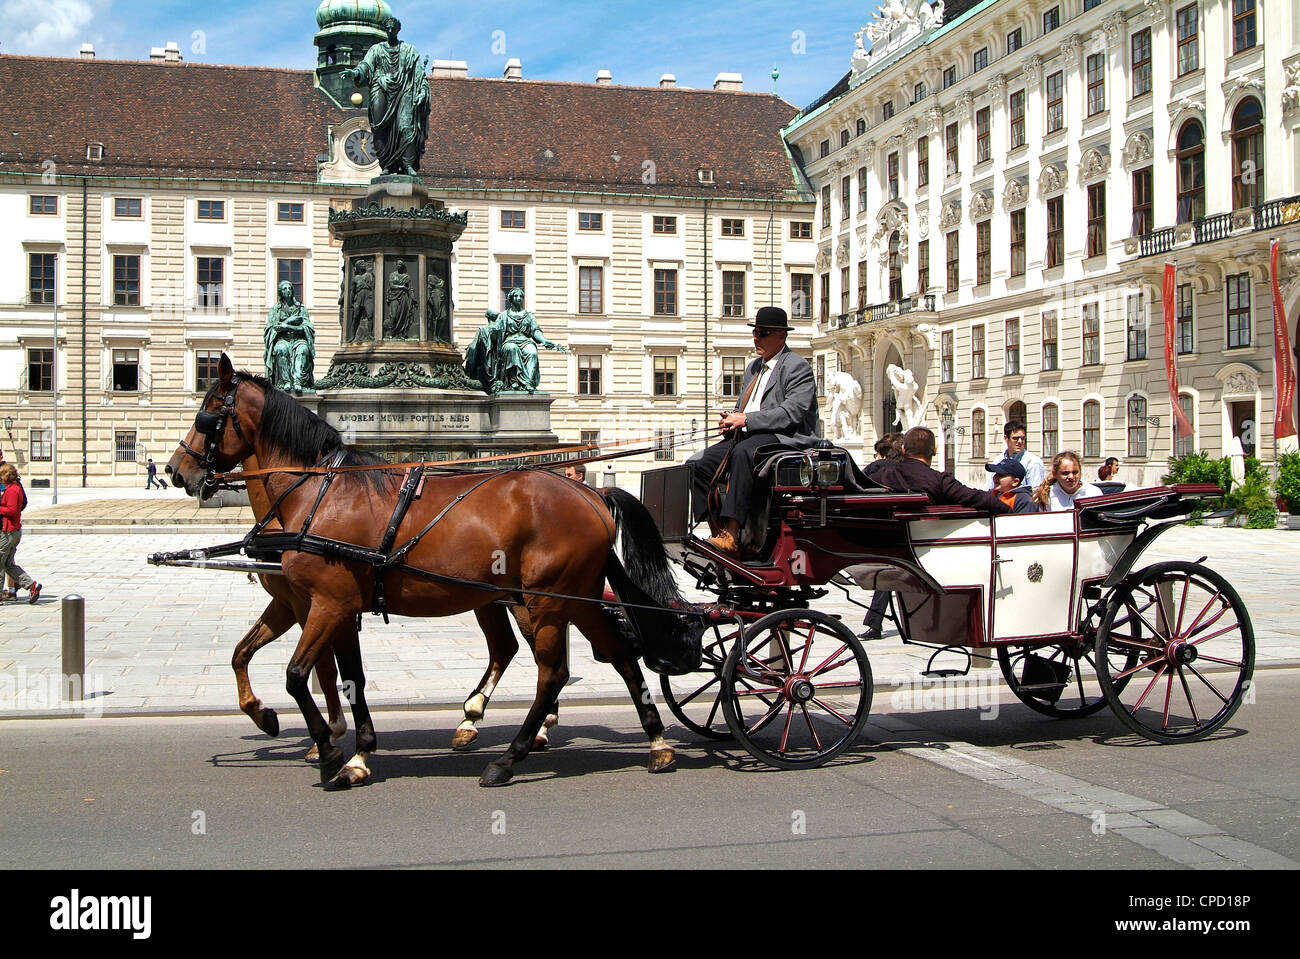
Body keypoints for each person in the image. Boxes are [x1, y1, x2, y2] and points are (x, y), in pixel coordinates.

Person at [687, 306, 821, 555]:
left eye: (763, 332)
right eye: (755, 332)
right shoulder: (753, 367)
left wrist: (745, 419)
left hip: (785, 437)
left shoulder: (796, 366)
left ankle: (733, 531)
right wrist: (732, 419)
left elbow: (792, 412)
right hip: (750, 434)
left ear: (781, 335)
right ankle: (717, 531)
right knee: (696, 464)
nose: (756, 338)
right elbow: (744, 406)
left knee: (743, 454)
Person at [342, 16, 430, 176]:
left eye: (393, 28)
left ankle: (408, 164)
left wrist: (423, 91)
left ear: (398, 30)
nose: (390, 31)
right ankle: (387, 165)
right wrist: (355, 72)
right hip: (380, 87)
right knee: (379, 127)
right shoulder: (376, 50)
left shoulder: (410, 50)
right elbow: (365, 66)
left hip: (404, 91)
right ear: (385, 30)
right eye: (387, 28)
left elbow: (420, 75)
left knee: (406, 127)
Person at [868, 426, 1011, 514]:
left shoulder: (881, 475)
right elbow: (979, 498)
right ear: (934, 451)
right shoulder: (939, 480)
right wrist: (1010, 512)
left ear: (904, 449)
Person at [465, 288, 567, 393]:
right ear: (511, 299)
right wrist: (494, 332)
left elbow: (535, 331)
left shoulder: (529, 316)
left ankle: (529, 383)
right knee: (512, 349)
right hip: (509, 341)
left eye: (521, 296)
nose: (518, 298)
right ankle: (513, 382)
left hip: (526, 341)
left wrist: (544, 340)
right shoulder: (504, 315)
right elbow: (495, 335)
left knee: (532, 352)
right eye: (516, 296)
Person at [859, 432, 906, 639]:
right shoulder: (908, 470)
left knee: (886, 580)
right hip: (906, 530)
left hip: (880, 530)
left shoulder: (877, 468)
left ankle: (875, 623)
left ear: (883, 454)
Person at [263, 280, 316, 393]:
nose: (288, 291)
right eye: (285, 289)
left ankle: (298, 382)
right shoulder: (275, 310)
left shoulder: (301, 309)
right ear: (280, 292)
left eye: (290, 288)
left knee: (303, 349)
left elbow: (307, 328)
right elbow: (272, 329)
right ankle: (285, 381)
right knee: (280, 349)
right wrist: (290, 321)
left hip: (298, 339)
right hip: (283, 340)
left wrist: (287, 327)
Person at [0, 463, 40, 604]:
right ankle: (31, 585)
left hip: (9, 531)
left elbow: (11, 510)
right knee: (8, 564)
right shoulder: (15, 488)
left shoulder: (11, 490)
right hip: (14, 530)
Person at [984, 420, 1045, 491]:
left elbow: (1036, 492)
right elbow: (990, 487)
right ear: (1006, 438)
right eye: (1015, 438)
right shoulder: (998, 460)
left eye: (1022, 438)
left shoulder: (1033, 462)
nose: (1019, 441)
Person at [1032, 451, 1103, 511]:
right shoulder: (1047, 494)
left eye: (1075, 472)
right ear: (1054, 474)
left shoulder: (1094, 493)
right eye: (1065, 473)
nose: (1071, 477)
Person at [383, 259, 418, 340]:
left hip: (403, 297)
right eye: (397, 264)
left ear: (403, 266)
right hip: (394, 296)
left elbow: (410, 289)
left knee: (403, 315)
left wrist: (413, 298)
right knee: (394, 315)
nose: (399, 265)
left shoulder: (407, 277)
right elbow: (392, 285)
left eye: (400, 264)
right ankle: (392, 332)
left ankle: (400, 333)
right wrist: (402, 287)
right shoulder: (392, 275)